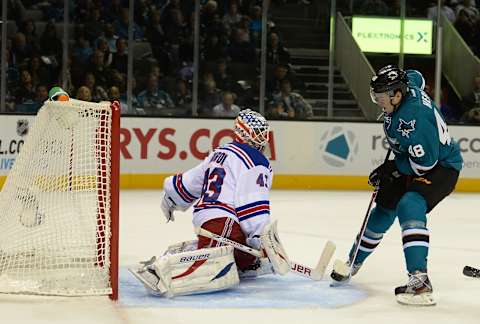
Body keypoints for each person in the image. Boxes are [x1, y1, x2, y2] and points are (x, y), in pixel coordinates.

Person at [331, 65, 463, 306]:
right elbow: (417, 76)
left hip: (442, 166)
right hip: (413, 159)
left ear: (397, 95)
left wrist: (392, 168)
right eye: (376, 96)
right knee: (383, 206)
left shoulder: (414, 119)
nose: (378, 102)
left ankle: (420, 281)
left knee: (409, 204)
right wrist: (394, 168)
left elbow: (424, 164)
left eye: (381, 97)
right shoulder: (407, 86)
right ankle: (353, 262)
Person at [129, 109, 290, 297]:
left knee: (247, 259)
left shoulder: (220, 153)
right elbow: (253, 205)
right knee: (216, 259)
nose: (264, 138)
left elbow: (191, 181)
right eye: (260, 133)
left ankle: (224, 255)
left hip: (207, 219)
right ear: (248, 134)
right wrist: (261, 239)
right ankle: (165, 268)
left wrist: (171, 195)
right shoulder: (255, 160)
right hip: (224, 222)